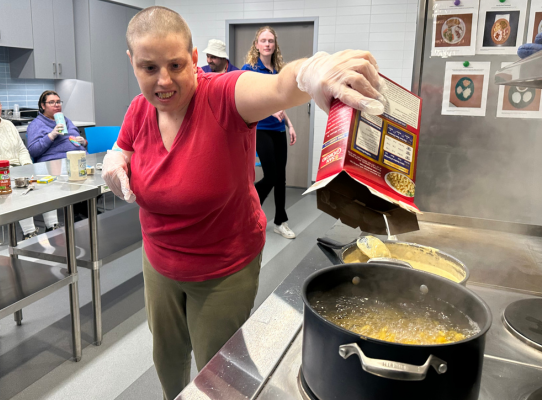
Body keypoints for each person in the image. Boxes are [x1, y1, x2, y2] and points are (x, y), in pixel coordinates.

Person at [101, 6, 385, 400]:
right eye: (149, 68)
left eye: (176, 65)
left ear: (195, 58)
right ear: (132, 62)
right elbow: (125, 147)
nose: (163, 80)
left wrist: (311, 72)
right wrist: (115, 159)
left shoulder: (221, 96)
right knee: (167, 359)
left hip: (222, 268)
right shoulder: (139, 109)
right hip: (159, 262)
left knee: (219, 376)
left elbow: (279, 87)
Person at [241, 26, 300, 239]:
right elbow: (247, 100)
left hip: (278, 129)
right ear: (257, 45)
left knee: (281, 177)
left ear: (275, 45)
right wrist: (269, 110)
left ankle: (280, 222)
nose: (267, 44)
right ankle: (246, 209)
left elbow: (280, 104)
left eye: (271, 41)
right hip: (261, 129)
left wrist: (290, 125)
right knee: (271, 176)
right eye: (263, 40)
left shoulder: (278, 70)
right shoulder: (249, 69)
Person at [0, 101, 59, 239]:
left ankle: (53, 227)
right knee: (20, 192)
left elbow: (21, 149)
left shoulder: (8, 124)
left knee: (44, 185)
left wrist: (27, 166)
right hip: (3, 173)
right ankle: (29, 233)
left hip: (19, 168)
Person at [27, 91, 87, 162]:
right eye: (51, 102)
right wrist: (51, 136)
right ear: (43, 106)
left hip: (81, 157)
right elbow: (33, 151)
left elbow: (82, 142)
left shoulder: (66, 120)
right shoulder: (36, 124)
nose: (57, 105)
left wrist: (83, 142)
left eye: (58, 102)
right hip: (56, 160)